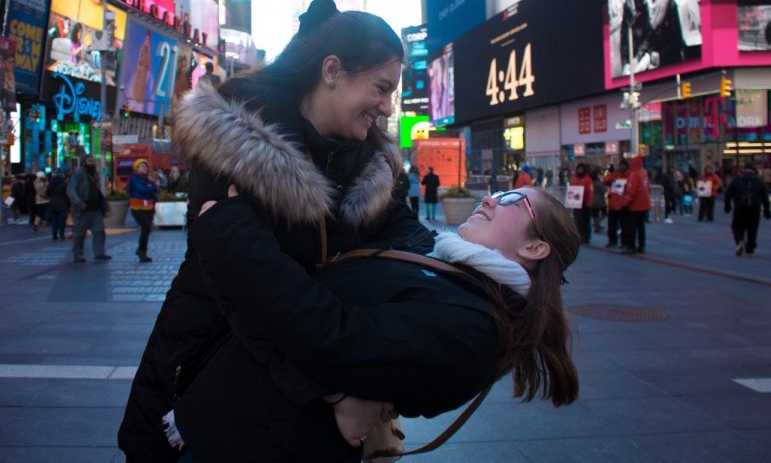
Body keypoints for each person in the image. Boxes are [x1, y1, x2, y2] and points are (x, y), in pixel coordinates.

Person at [119, 0, 434, 461]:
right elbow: (244, 288)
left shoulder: (374, 163)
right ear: (332, 71)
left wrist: (473, 258)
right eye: (382, 88)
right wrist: (334, 392)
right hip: (207, 380)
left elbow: (406, 237)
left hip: (312, 413)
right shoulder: (230, 136)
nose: (388, 108)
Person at [162, 187, 580, 461]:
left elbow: (327, 334)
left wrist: (231, 233)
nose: (490, 198)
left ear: (535, 246)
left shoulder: (477, 330)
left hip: (254, 444)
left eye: (512, 200)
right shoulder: (446, 263)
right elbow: (388, 205)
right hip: (225, 420)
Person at [67, 155, 111, 263]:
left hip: (95, 208)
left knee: (99, 231)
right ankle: (78, 254)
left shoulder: (94, 174)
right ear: (83, 163)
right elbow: (71, 189)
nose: (92, 163)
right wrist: (79, 202)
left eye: (92, 161)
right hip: (82, 209)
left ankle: (99, 253)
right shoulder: (78, 173)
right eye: (89, 161)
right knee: (79, 233)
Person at [724, 162, 771, 255]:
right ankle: (750, 247)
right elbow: (765, 197)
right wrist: (767, 210)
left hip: (740, 207)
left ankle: (739, 241)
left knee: (737, 227)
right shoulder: (758, 180)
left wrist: (727, 205)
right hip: (754, 208)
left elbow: (728, 193)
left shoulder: (737, 179)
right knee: (752, 228)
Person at [620, 0, 650, 74]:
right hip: (630, 53)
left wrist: (639, 56)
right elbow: (623, 34)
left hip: (641, 56)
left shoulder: (647, 1)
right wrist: (625, 62)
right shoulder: (627, 1)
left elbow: (649, 33)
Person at [127, 159, 160, 262]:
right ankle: (141, 251)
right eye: (142, 166)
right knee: (145, 228)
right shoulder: (134, 178)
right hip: (137, 207)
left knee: (147, 229)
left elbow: (155, 189)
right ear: (136, 168)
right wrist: (153, 186)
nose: (144, 168)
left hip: (148, 207)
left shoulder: (147, 179)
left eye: (145, 167)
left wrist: (152, 186)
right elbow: (142, 190)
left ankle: (142, 251)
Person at [622, 156, 650, 254]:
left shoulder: (634, 174)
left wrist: (625, 203)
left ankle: (631, 246)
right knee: (641, 226)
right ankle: (642, 246)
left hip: (635, 205)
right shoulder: (644, 173)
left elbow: (631, 191)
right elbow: (648, 187)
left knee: (632, 226)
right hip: (644, 204)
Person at [602, 160, 628, 247]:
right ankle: (612, 241)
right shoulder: (615, 175)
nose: (621, 167)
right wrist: (612, 175)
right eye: (620, 165)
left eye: (623, 166)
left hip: (623, 205)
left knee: (624, 226)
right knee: (612, 225)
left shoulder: (629, 175)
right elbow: (605, 180)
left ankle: (624, 242)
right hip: (613, 204)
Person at [569, 162, 593, 243]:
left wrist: (589, 203)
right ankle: (579, 236)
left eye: (581, 169)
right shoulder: (574, 178)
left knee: (585, 221)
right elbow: (571, 190)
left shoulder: (587, 179)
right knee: (577, 221)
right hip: (576, 203)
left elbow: (589, 192)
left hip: (585, 203)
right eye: (579, 169)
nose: (580, 170)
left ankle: (586, 237)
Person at [47, 169, 70, 240]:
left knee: (54, 221)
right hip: (62, 204)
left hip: (53, 204)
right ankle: (61, 234)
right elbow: (67, 195)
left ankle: (54, 235)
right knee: (62, 221)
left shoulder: (50, 185)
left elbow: (47, 193)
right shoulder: (64, 185)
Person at [591, 168, 607, 233]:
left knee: (595, 215)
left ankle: (596, 228)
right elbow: (604, 190)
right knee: (604, 213)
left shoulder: (591, 182)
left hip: (592, 201)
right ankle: (596, 224)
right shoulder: (598, 183)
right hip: (599, 201)